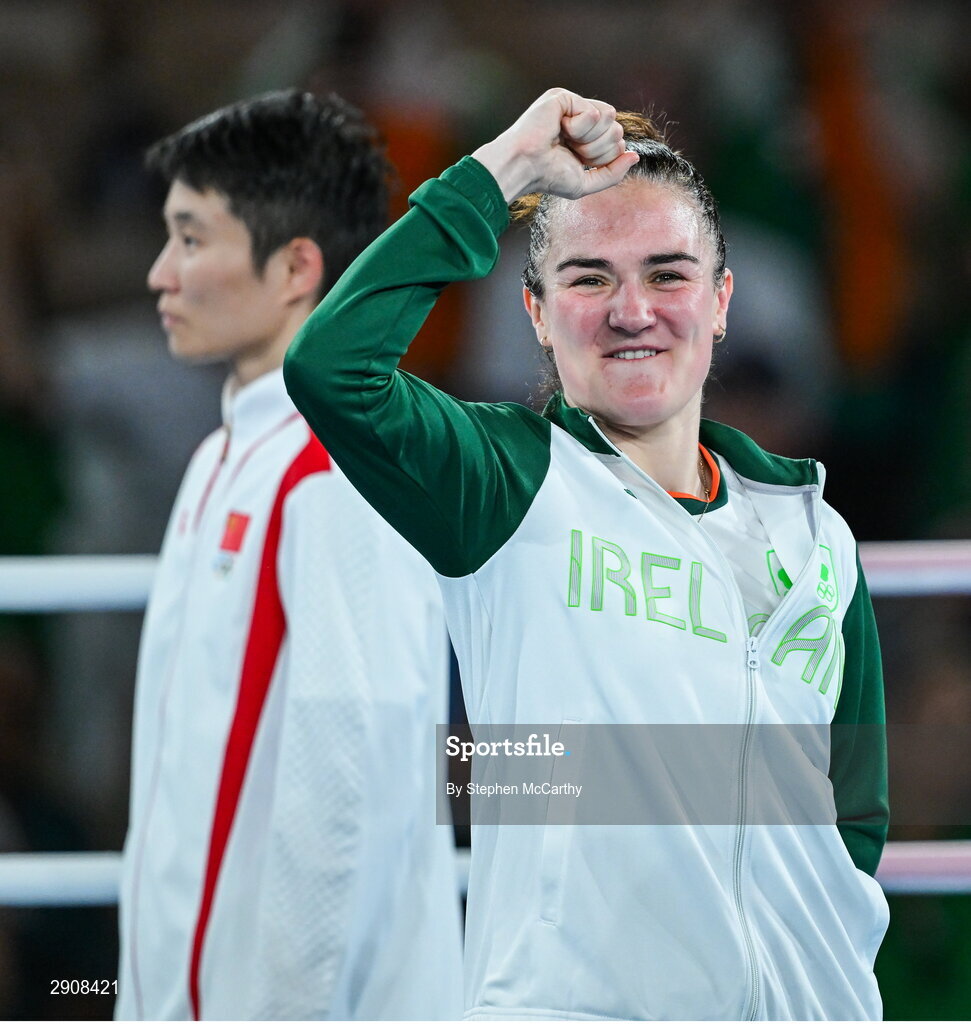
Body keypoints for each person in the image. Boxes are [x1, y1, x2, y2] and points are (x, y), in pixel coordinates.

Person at [284, 88, 890, 1020]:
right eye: (588, 277)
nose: (632, 309)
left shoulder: (818, 535)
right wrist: (509, 166)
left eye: (667, 273)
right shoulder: (502, 480)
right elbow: (331, 368)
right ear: (535, 311)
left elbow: (854, 821)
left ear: (720, 301)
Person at [116, 89, 463, 1022]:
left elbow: (349, 788)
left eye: (191, 239)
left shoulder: (339, 471)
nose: (160, 274)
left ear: (295, 269)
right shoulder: (220, 461)